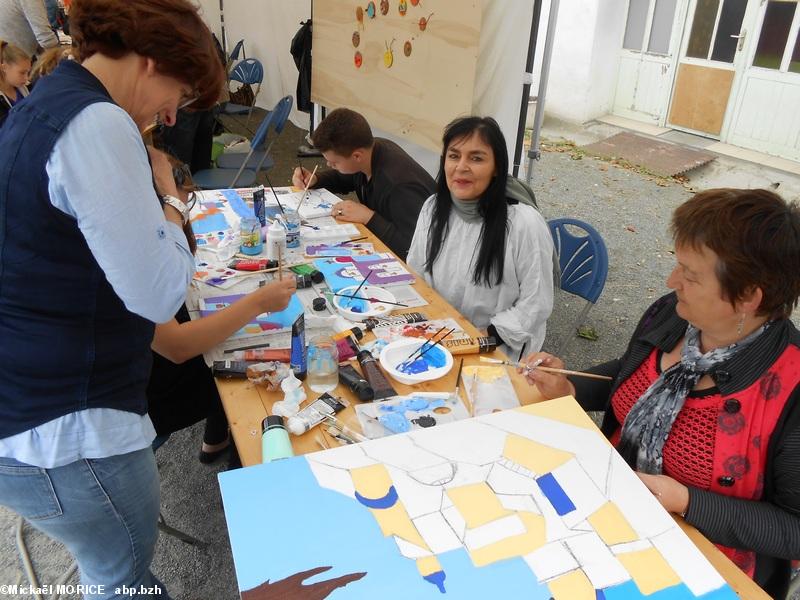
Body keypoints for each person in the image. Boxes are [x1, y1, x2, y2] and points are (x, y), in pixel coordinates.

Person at [0, 0, 224, 598]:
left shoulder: (48, 104)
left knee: (120, 577)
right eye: (179, 89)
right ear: (153, 61)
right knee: (120, 582)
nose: (173, 112)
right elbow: (157, 292)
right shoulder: (97, 123)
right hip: (68, 432)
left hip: (40, 412)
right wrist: (171, 204)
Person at [522, 188, 800, 598]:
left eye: (689, 275)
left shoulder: (790, 389)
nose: (673, 282)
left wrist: (687, 500)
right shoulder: (671, 313)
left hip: (704, 567)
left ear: (747, 297)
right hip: (603, 512)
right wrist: (571, 385)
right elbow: (630, 377)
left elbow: (793, 529)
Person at [147, 162, 297, 463]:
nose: (184, 211)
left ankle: (216, 439)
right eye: (179, 203)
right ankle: (243, 464)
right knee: (248, 371)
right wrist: (258, 303)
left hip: (156, 367)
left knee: (232, 343)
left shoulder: (154, 233)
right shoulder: (132, 253)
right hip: (147, 396)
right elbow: (177, 346)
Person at [406, 116, 554, 358]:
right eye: (454, 156)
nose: (461, 167)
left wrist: (488, 334)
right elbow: (416, 272)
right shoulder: (434, 207)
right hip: (439, 336)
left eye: (476, 158)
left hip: (498, 346)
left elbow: (536, 302)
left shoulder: (522, 223)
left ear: (496, 166)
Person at [291, 108, 435, 260]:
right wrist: (316, 179)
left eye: (334, 162)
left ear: (357, 156)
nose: (329, 164)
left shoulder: (399, 187)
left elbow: (415, 250)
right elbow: (346, 177)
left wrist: (369, 217)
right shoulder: (369, 151)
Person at [0, 39, 30, 127]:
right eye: (22, 73)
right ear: (4, 67)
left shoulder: (27, 87)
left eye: (28, 72)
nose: (26, 78)